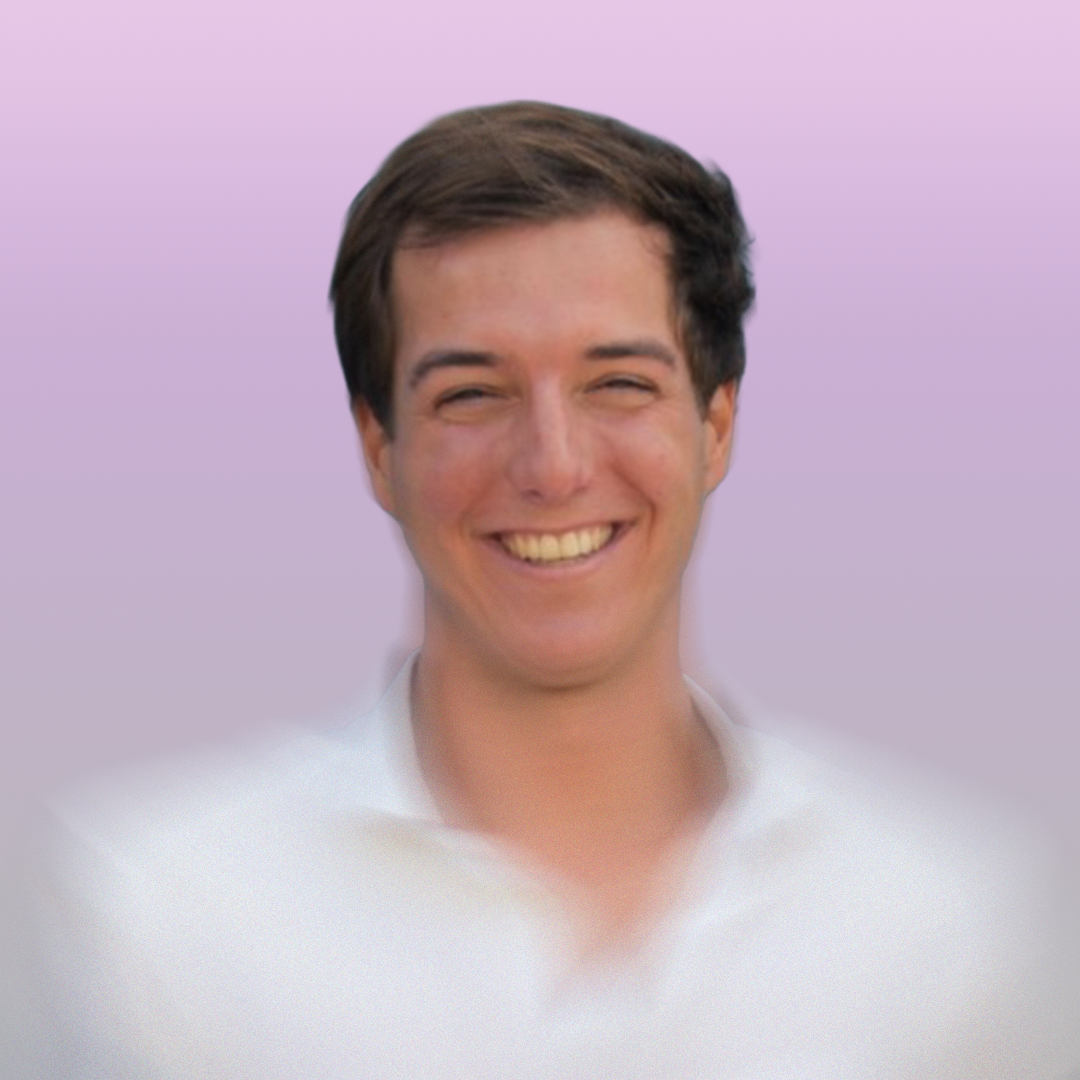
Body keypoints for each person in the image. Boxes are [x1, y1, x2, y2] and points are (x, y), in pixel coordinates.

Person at [13, 102, 1079, 1079]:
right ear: (379, 448)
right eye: (472, 394)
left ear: (715, 427)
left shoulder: (955, 920)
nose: (554, 466)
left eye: (618, 383)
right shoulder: (151, 917)